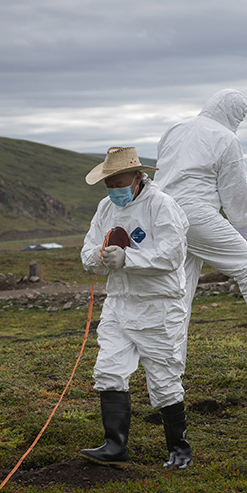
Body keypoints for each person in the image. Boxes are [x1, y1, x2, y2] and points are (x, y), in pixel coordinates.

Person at [154, 89, 247, 355]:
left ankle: (168, 368)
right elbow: (235, 191)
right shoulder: (226, 138)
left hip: (160, 212)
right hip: (194, 213)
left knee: (179, 293)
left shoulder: (175, 129)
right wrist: (242, 228)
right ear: (236, 114)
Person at [79, 146, 193, 469]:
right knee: (108, 368)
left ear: (136, 176)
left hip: (159, 306)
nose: (113, 189)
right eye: (108, 183)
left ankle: (179, 449)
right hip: (119, 304)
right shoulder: (105, 209)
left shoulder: (162, 206)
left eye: (118, 181)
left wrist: (129, 259)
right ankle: (115, 445)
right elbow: (87, 249)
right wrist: (99, 257)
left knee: (163, 377)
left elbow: (173, 255)